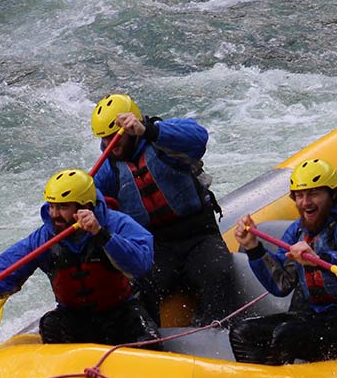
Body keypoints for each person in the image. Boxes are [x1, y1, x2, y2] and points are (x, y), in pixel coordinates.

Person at [0, 169, 159, 347]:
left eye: (62, 207)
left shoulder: (118, 224)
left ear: (84, 207)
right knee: (51, 324)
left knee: (148, 337)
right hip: (74, 317)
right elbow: (9, 267)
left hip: (120, 313)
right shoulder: (43, 238)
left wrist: (101, 235)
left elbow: (140, 263)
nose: (54, 214)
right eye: (51, 206)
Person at [90, 93, 240, 327]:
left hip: (198, 236)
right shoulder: (108, 170)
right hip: (153, 246)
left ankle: (221, 331)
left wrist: (148, 130)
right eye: (104, 138)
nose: (111, 143)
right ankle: (149, 344)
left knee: (217, 273)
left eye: (115, 136)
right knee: (140, 289)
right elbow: (93, 202)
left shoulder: (160, 140)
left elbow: (199, 137)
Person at [228, 159, 337, 365]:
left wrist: (319, 258)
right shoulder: (298, 231)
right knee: (242, 332)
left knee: (288, 334)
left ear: (333, 195)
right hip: (318, 316)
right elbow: (282, 285)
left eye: (314, 193)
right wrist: (253, 248)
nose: (305, 202)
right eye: (299, 195)